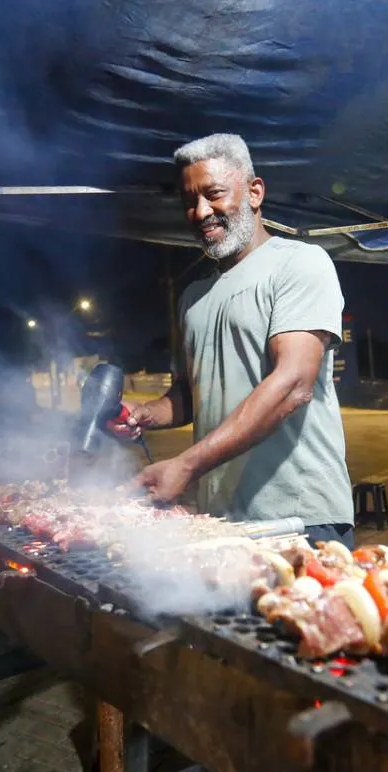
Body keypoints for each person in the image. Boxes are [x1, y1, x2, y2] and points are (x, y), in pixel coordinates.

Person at [119, 133, 355, 547]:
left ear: (254, 191)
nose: (201, 212)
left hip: (300, 520)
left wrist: (187, 465)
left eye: (214, 195)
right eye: (190, 202)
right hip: (223, 522)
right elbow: (193, 395)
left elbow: (294, 385)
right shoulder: (193, 297)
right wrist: (143, 414)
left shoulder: (298, 263)